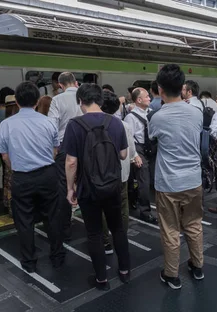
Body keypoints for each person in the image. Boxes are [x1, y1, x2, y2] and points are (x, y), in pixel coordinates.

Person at [64, 83, 131, 291]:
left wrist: (70, 189)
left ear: (80, 101)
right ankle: (125, 271)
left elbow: (71, 162)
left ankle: (101, 279)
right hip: (112, 185)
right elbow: (123, 155)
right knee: (118, 228)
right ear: (101, 101)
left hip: (88, 187)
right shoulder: (116, 123)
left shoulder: (75, 125)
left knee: (93, 233)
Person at [0, 81, 65, 273]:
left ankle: (29, 262)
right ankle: (57, 257)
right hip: (48, 175)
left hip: (21, 177)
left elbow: (5, 156)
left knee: (24, 220)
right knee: (52, 217)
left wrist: (17, 167)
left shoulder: (6, 125)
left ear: (16, 101)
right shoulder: (48, 122)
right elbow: (55, 151)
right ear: (37, 101)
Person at [149, 64, 205, 289]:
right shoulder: (197, 112)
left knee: (171, 229)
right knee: (194, 224)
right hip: (194, 180)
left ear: (160, 89)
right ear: (183, 88)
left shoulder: (157, 117)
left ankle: (172, 275)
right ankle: (197, 266)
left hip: (168, 183)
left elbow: (153, 140)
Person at [100, 90, 142, 254]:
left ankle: (105, 242)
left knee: (102, 208)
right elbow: (130, 152)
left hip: (102, 176)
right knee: (122, 207)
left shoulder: (93, 124)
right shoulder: (124, 125)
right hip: (122, 174)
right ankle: (121, 236)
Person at [48, 72, 82, 241]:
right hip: (86, 146)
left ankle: (66, 229)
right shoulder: (84, 96)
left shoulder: (57, 100)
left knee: (65, 186)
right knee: (86, 182)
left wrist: (55, 149)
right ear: (75, 83)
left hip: (65, 147)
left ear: (60, 85)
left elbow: (52, 126)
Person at [124, 87, 156, 224]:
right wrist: (135, 155)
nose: (150, 98)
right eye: (147, 96)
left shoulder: (152, 113)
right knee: (143, 179)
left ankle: (134, 199)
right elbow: (129, 138)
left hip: (151, 147)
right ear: (139, 100)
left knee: (152, 179)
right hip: (139, 148)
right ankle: (145, 211)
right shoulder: (130, 117)